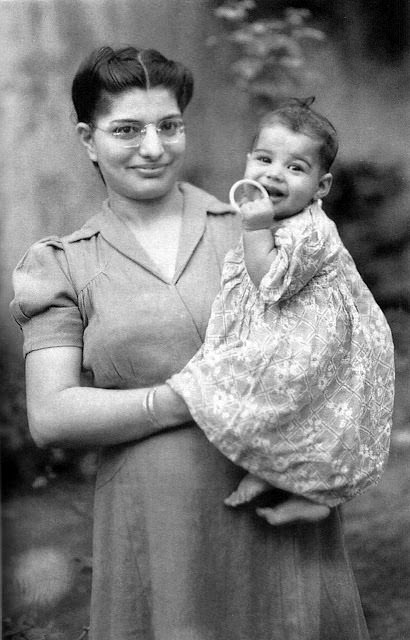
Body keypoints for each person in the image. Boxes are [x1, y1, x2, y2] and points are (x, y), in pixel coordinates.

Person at [11, 45, 374, 640]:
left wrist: (325, 478)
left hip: (276, 510)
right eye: (126, 129)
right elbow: (52, 415)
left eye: (169, 126)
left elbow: (345, 354)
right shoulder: (61, 264)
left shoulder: (266, 233)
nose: (153, 148)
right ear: (86, 138)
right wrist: (184, 398)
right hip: (155, 523)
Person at [168, 98, 395, 526]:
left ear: (320, 187)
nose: (274, 173)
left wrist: (255, 228)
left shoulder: (310, 229)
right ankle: (270, 469)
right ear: (248, 161)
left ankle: (317, 495)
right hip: (292, 326)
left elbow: (269, 280)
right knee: (279, 400)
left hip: (316, 342)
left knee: (288, 396)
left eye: (295, 167)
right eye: (265, 159)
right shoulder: (279, 218)